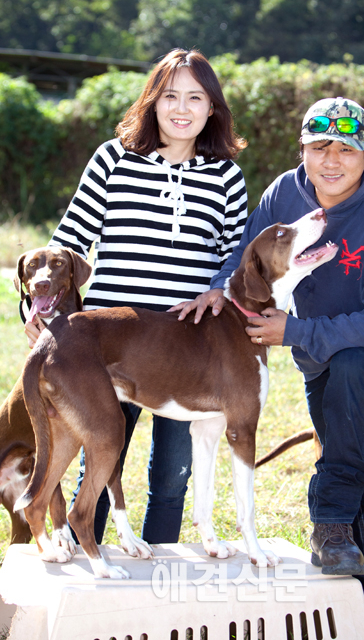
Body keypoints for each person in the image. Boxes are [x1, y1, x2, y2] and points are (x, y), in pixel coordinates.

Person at [173, 97, 364, 633]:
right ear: (303, 151)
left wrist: (292, 332)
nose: (331, 161)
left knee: (355, 370)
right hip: (318, 351)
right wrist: (218, 289)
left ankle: (335, 528)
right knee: (348, 437)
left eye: (345, 149)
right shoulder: (283, 194)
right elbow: (246, 254)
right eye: (319, 148)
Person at [24, 47, 248, 545]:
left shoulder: (226, 176)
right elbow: (66, 244)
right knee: (100, 464)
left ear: (213, 108)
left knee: (172, 476)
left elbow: (234, 258)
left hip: (186, 348)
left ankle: (158, 576)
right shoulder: (113, 158)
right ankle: (89, 569)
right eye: (170, 96)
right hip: (109, 341)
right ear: (152, 101)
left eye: (196, 97)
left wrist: (217, 289)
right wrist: (37, 308)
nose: (182, 108)